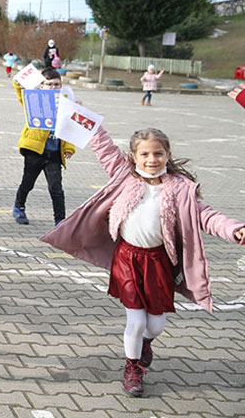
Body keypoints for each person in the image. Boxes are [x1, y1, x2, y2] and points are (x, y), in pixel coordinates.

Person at [41, 124, 245, 397]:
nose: (151, 160)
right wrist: (85, 118)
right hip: (127, 260)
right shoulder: (124, 176)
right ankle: (132, 368)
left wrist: (233, 229)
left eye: (158, 154)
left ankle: (145, 343)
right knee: (136, 322)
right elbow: (104, 147)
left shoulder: (179, 189)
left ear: (168, 154)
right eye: (145, 154)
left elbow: (206, 216)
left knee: (155, 325)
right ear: (133, 156)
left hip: (159, 262)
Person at [12, 68, 76, 225]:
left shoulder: (65, 104)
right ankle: (19, 206)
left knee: (56, 189)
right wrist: (18, 83)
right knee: (28, 182)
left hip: (54, 153)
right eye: (49, 84)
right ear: (41, 86)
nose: (53, 88)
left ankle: (60, 220)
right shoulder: (34, 101)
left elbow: (69, 128)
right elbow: (21, 94)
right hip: (34, 151)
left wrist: (69, 148)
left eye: (57, 84)